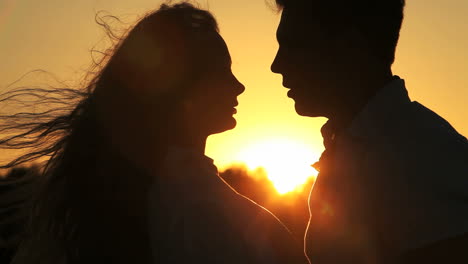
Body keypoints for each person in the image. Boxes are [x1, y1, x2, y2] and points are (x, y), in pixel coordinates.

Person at [1, 3, 307, 264]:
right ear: (180, 89)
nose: (238, 85)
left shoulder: (167, 197)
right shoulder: (196, 212)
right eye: (221, 71)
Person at [270, 0, 468, 263]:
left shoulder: (418, 160)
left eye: (294, 45)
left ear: (351, 45)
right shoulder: (364, 148)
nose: (277, 64)